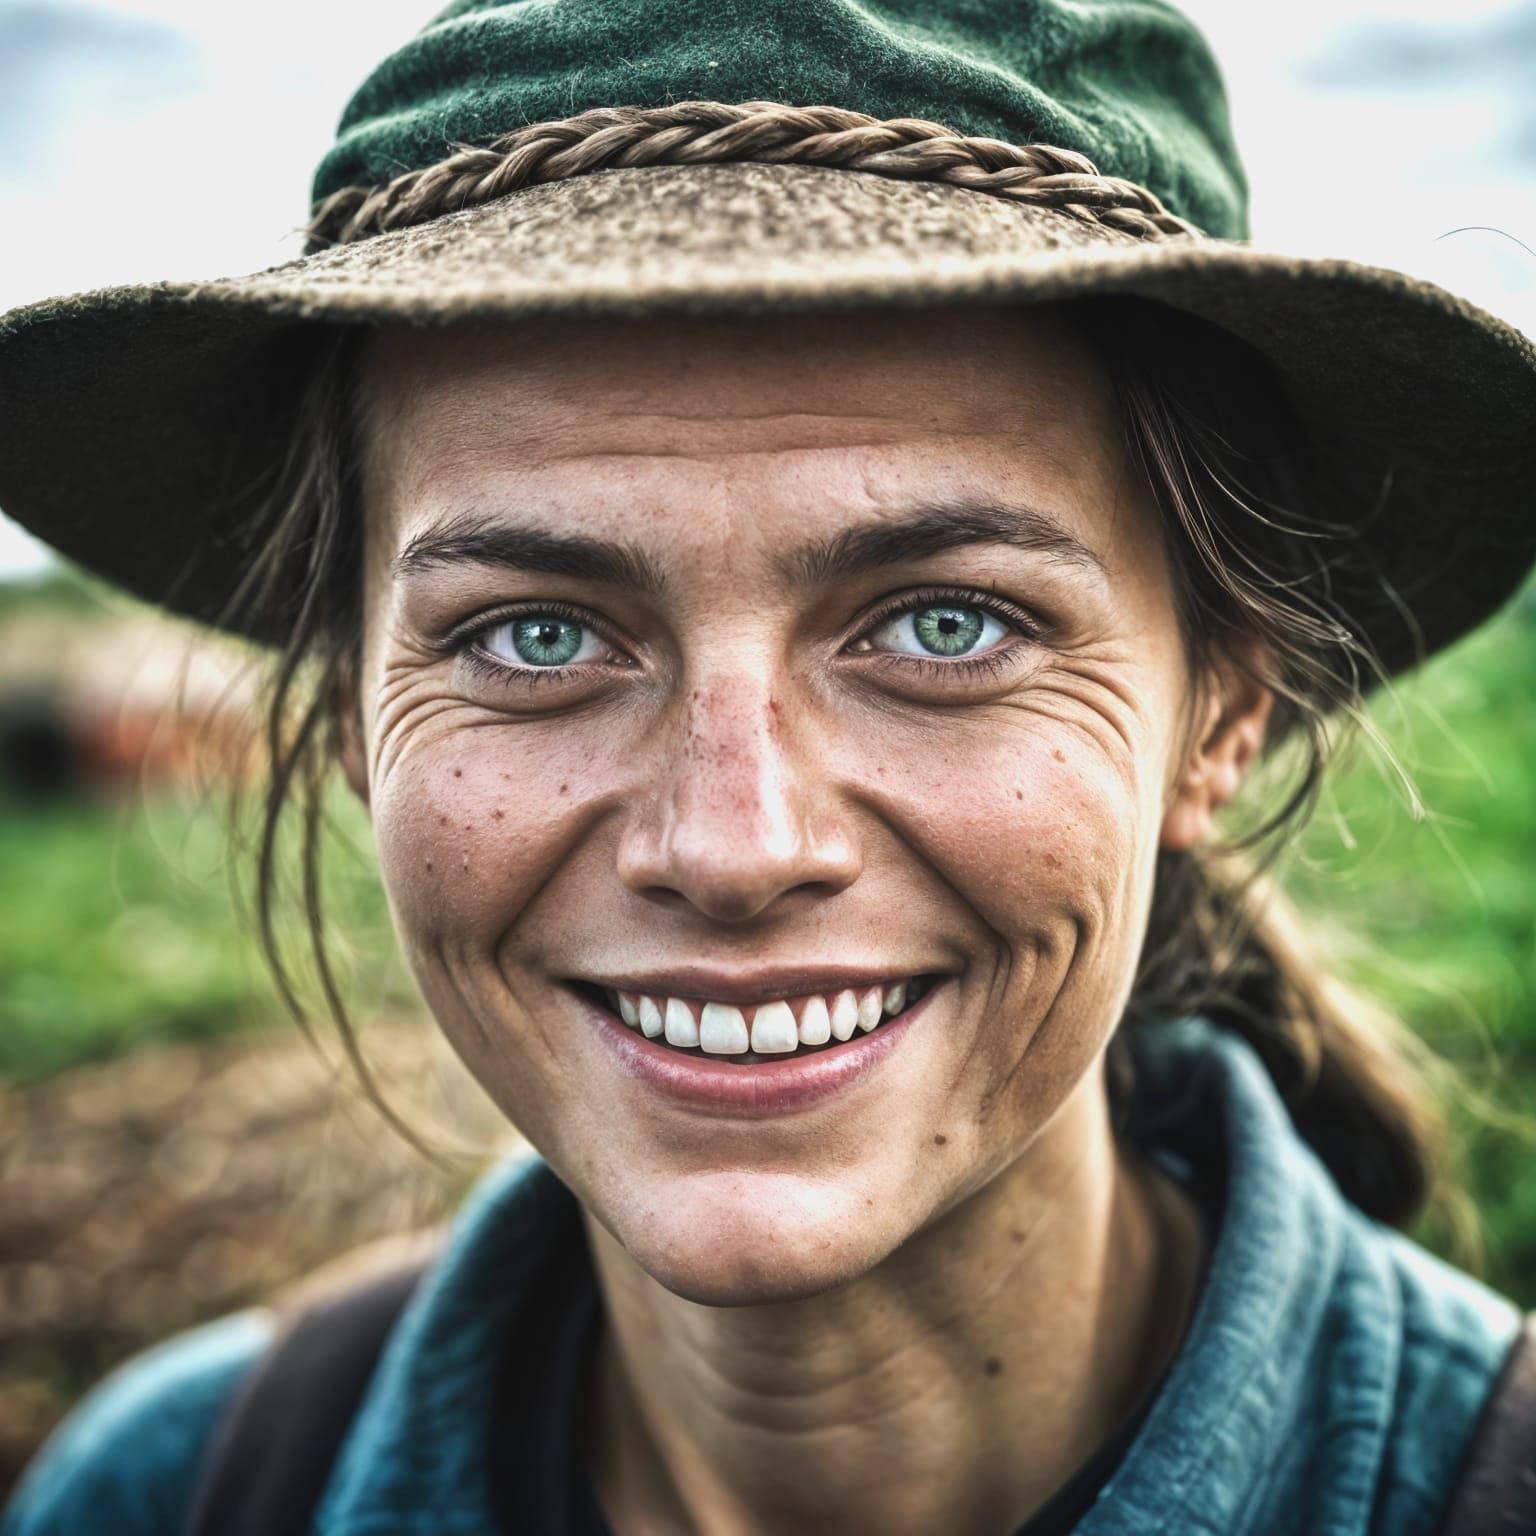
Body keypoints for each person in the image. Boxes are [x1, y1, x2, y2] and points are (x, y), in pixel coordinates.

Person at [3, 2, 1534, 1533]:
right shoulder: (171, 1493)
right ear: (351, 719)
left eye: (947, 624)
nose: (735, 846)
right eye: (535, 637)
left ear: (1219, 721)